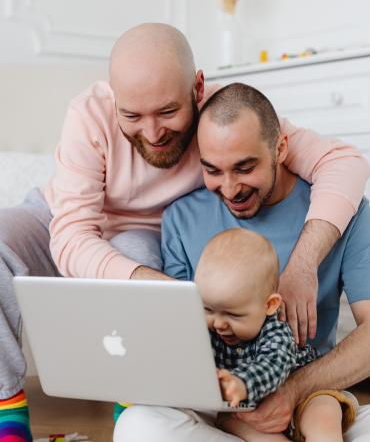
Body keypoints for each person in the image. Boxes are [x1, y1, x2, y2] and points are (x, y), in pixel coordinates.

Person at [0, 24, 369, 442]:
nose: (153, 132)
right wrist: (162, 290)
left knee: (137, 255)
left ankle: (134, 399)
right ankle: (11, 405)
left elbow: (344, 161)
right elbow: (69, 234)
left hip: (140, 237)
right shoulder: (92, 116)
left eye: (167, 113)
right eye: (132, 115)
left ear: (196, 89)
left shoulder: (229, 116)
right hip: (62, 218)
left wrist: (302, 265)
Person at [113, 82, 370, 441]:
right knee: (137, 426)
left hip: (311, 391)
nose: (230, 189)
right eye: (213, 170)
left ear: (280, 148)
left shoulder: (340, 210)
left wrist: (294, 389)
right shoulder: (181, 218)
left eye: (245, 168)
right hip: (224, 410)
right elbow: (182, 335)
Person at [195, 227, 357, 442]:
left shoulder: (277, 331)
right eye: (207, 309)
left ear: (270, 305)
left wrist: (242, 383)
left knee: (323, 413)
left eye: (233, 315)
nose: (219, 324)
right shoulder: (210, 330)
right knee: (228, 420)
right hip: (252, 409)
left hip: (305, 396)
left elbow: (273, 366)